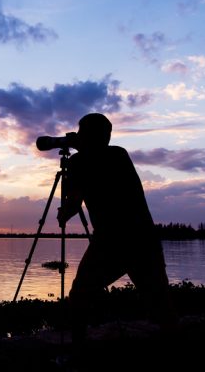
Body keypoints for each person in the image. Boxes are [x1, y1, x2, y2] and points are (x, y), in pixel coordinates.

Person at [58, 113, 174, 344]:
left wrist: (64, 209)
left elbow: (72, 206)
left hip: (113, 241)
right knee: (158, 297)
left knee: (81, 293)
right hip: (141, 239)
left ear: (86, 135)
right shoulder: (119, 154)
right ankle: (172, 339)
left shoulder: (86, 161)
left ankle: (77, 346)